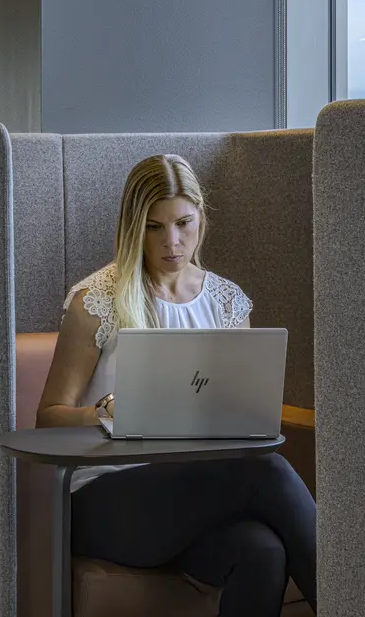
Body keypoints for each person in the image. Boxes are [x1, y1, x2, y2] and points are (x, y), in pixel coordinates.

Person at [36, 154, 317, 617]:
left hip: (195, 495)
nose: (172, 241)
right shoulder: (97, 301)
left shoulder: (227, 303)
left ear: (202, 218)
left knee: (263, 552)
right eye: (154, 227)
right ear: (133, 228)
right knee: (266, 471)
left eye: (184, 223)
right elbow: (47, 419)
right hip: (106, 497)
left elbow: (242, 417)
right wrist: (107, 411)